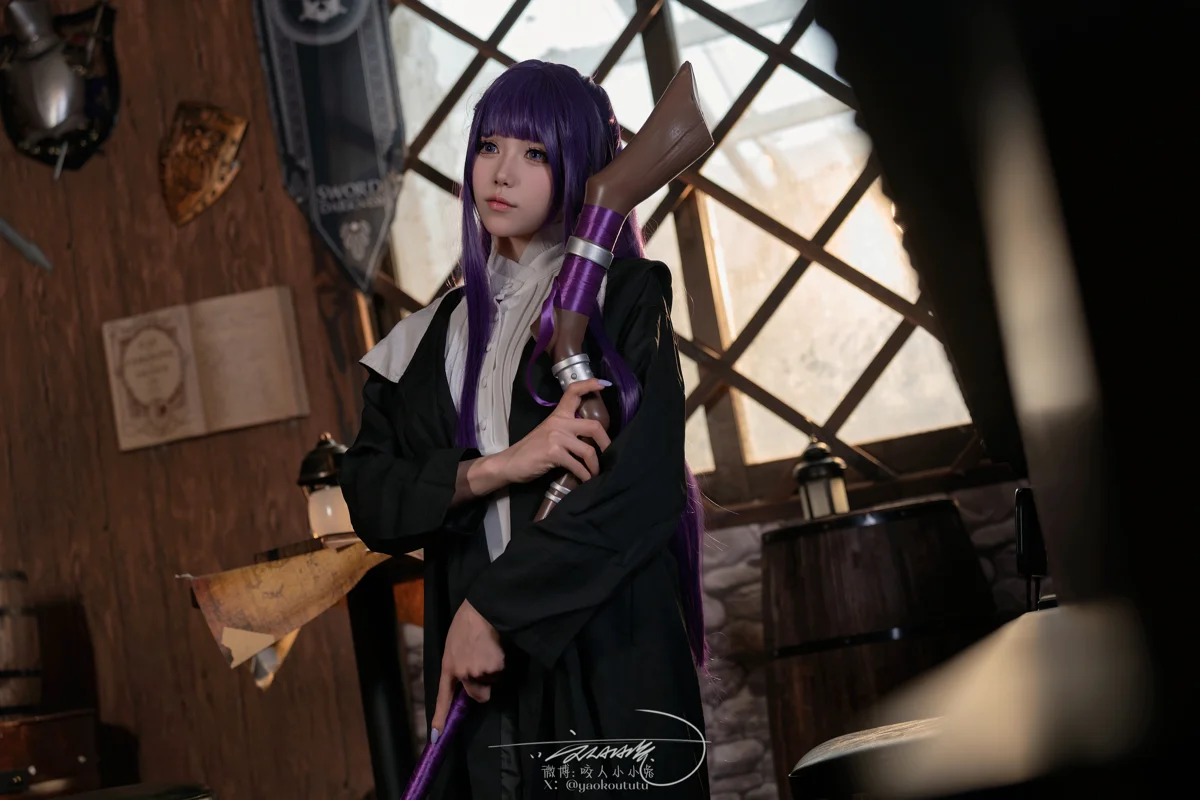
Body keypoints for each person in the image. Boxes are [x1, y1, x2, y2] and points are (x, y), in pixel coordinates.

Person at [340, 60, 710, 799]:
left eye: (535, 153)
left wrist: (493, 609)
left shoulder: (621, 300)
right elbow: (373, 499)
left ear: (579, 167)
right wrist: (498, 467)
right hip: (486, 686)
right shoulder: (423, 342)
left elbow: (638, 495)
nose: (501, 173)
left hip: (606, 663)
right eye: (489, 146)